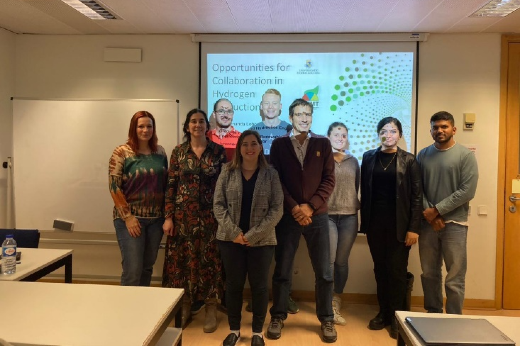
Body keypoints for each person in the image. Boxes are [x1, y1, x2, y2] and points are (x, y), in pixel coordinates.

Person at [267, 98, 337, 343]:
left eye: (308, 114)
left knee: (324, 272)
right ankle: (278, 315)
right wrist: (295, 207)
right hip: (288, 216)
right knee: (282, 270)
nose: (304, 118)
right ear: (291, 116)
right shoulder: (278, 145)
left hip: (317, 216)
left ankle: (326, 319)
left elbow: (329, 180)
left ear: (312, 116)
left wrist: (311, 206)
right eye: (299, 114)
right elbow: (275, 181)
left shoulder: (323, 143)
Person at [214, 130, 284, 346]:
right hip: (230, 240)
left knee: (260, 287)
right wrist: (235, 233)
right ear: (239, 148)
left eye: (254, 143)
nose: (249, 148)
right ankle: (234, 330)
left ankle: (257, 333)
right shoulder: (227, 171)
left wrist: (252, 236)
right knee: (234, 286)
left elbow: (277, 209)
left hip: (261, 242)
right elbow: (218, 205)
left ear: (261, 147)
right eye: (245, 144)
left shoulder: (270, 174)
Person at [162, 108, 227, 333]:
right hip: (183, 219)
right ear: (187, 126)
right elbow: (170, 186)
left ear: (207, 127)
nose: (197, 125)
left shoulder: (218, 151)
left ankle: (210, 306)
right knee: (184, 262)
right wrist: (168, 217)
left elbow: (224, 187)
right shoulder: (178, 152)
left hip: (211, 217)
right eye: (193, 121)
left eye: (201, 121)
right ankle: (186, 305)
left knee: (210, 262)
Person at [360, 117, 422, 339]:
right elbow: (365, 193)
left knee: (396, 272)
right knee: (380, 269)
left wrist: (413, 228)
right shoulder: (368, 158)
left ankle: (398, 319)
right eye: (384, 131)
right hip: (375, 225)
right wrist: (364, 223)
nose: (388, 135)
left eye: (393, 131)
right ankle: (384, 313)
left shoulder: (410, 160)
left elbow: (416, 197)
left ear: (400, 135)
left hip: (400, 226)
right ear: (378, 134)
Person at [417, 111, 478, 315]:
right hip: (428, 225)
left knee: (455, 277)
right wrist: (430, 215)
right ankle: (433, 314)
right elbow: (418, 188)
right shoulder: (423, 155)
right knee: (429, 274)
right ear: (431, 130)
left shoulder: (465, 155)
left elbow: (467, 191)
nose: (439, 130)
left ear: (454, 129)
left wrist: (437, 211)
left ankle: (453, 319)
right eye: (435, 127)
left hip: (456, 225)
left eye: (444, 126)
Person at [109, 110, 168, 286]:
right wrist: (128, 217)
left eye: (149, 126)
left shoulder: (161, 152)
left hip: (156, 220)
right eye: (141, 126)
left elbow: (165, 184)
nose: (145, 130)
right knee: (133, 270)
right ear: (133, 129)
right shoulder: (122, 152)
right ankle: (126, 311)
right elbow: (114, 186)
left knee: (147, 268)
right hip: (131, 219)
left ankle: (143, 309)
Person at [326, 122, 360, 326]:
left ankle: (337, 297)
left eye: (344, 135)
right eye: (337, 134)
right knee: (329, 261)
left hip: (349, 217)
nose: (340, 137)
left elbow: (356, 188)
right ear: (328, 136)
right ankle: (327, 304)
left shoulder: (354, 161)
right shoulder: (322, 160)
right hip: (328, 216)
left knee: (341, 262)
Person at [250, 88, 291, 157]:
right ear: (261, 106)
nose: (270, 107)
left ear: (280, 106)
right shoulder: (252, 131)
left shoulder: (290, 130)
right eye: (267, 103)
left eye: (274, 103)